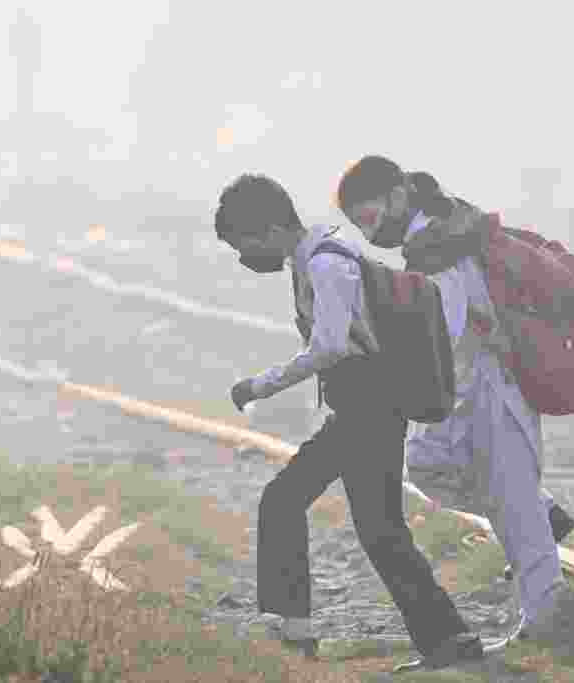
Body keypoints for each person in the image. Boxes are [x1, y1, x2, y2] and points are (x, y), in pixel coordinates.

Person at [215, 173, 486, 673]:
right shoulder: (315, 257)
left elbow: (331, 346)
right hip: (363, 408)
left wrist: (260, 386)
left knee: (309, 506)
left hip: (369, 408)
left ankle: (296, 628)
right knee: (374, 528)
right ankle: (445, 639)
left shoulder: (326, 265)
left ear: (271, 229)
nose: (245, 257)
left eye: (244, 244)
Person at [336, 155, 573, 645]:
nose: (369, 230)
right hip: (473, 384)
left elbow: (454, 330)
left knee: (512, 503)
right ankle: (545, 536)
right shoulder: (437, 234)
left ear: (398, 197)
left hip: (489, 384)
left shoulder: (434, 246)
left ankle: (549, 625)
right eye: (360, 224)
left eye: (370, 216)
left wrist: (414, 383)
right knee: (446, 474)